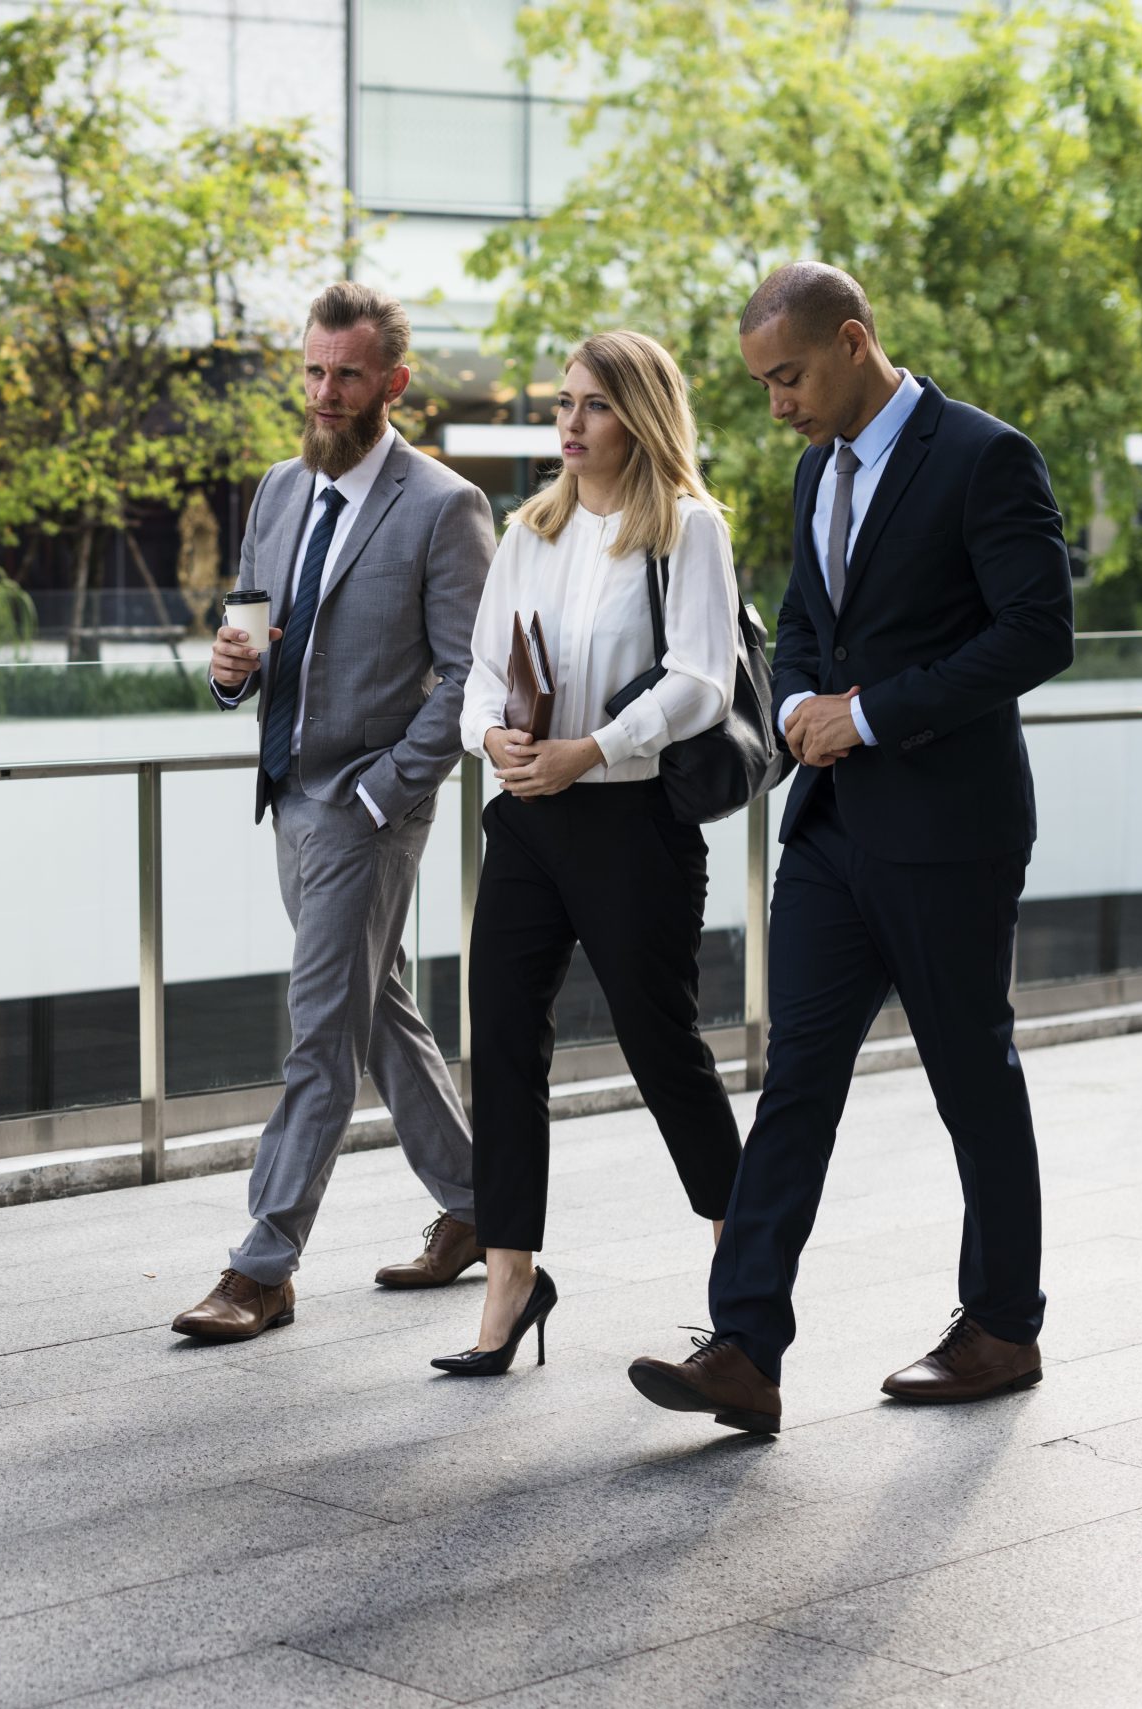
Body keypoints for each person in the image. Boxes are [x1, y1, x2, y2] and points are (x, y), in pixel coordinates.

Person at [628, 263, 1074, 1434]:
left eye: (788, 377)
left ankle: (1002, 1325)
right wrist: (795, 703)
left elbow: (1038, 630)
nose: (776, 403)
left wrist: (867, 714)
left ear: (852, 341)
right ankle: (743, 1348)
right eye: (762, 385)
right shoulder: (812, 468)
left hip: (948, 832)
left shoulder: (984, 456)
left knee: (971, 1079)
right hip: (830, 830)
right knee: (794, 1083)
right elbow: (804, 623)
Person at [172, 281, 493, 1340]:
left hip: (366, 807)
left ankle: (262, 1266)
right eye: (312, 370)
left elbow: (468, 676)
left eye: (345, 375)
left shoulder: (444, 506)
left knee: (319, 1033)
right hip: (289, 794)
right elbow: (253, 633)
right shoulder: (277, 488)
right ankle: (478, 1204)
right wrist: (229, 671)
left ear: (392, 383)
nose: (322, 392)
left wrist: (382, 788)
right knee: (374, 1008)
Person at [433, 331, 744, 1377]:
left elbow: (702, 680)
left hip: (631, 821)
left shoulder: (687, 529)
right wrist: (494, 737)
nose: (570, 423)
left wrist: (593, 749)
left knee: (662, 1047)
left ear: (641, 417)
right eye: (564, 402)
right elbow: (481, 670)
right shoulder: (531, 529)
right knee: (501, 1039)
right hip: (528, 820)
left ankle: (742, 1275)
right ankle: (511, 1278)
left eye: (595, 404)